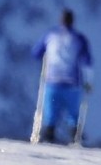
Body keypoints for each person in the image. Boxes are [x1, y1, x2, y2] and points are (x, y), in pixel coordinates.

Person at [31, 8, 93, 144]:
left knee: (51, 113)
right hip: (72, 83)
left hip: (53, 81)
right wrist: (89, 82)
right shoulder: (79, 38)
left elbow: (35, 52)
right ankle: (75, 138)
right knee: (73, 115)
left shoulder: (50, 35)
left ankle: (49, 136)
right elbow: (87, 62)